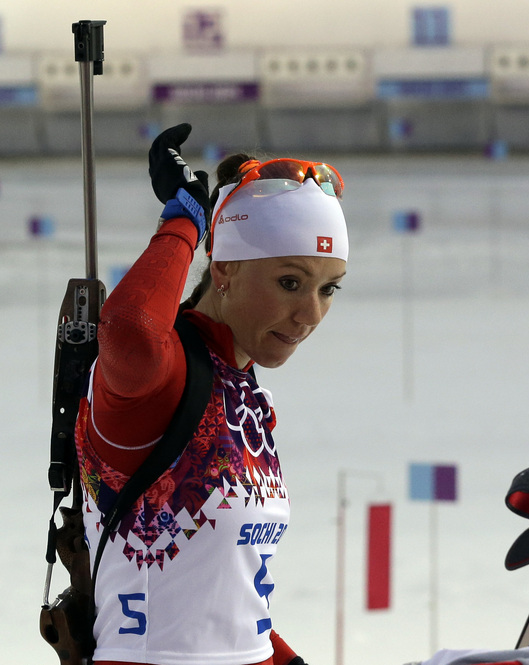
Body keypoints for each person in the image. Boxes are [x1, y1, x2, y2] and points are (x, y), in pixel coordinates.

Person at [75, 123, 348, 665]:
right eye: (290, 283)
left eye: (328, 288)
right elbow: (129, 330)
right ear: (223, 269)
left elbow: (230, 612)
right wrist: (183, 224)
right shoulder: (162, 377)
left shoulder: (242, 394)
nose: (310, 315)